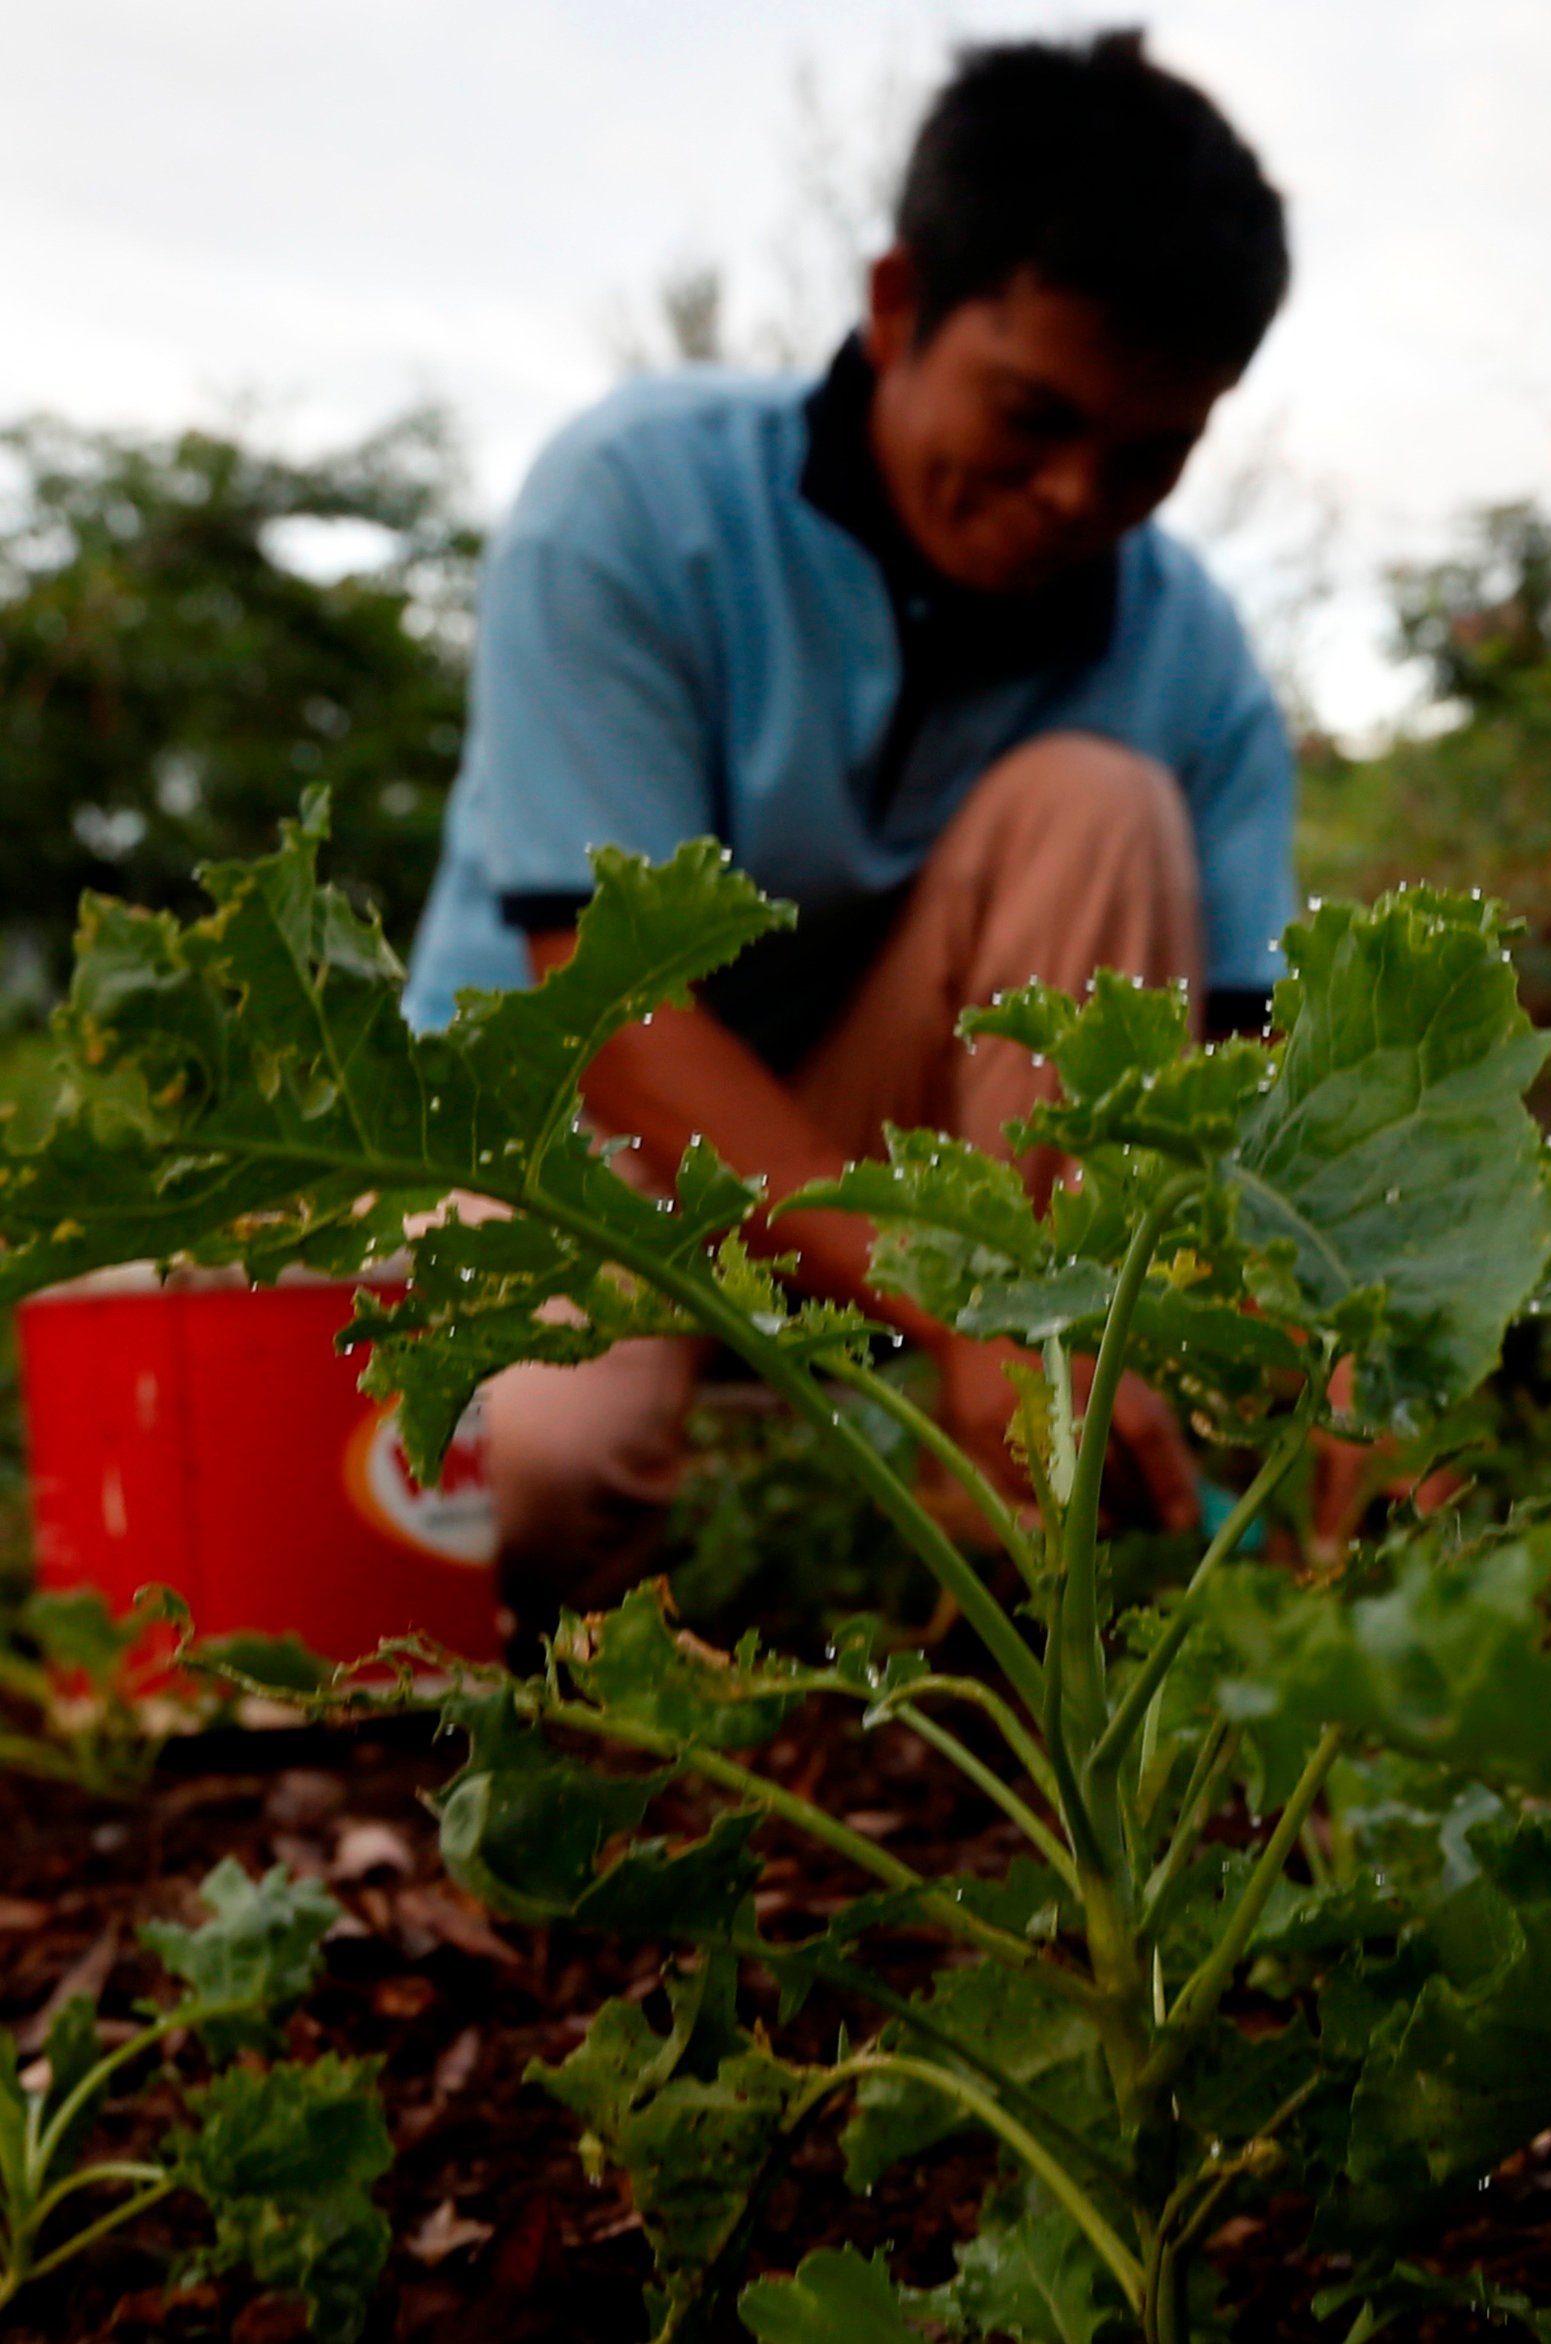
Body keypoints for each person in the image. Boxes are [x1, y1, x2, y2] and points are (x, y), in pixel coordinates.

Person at [399, 31, 1296, 1617]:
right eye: (1030, 415)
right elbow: (605, 1013)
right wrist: (959, 1314)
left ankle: (1010, 1584)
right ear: (896, 309)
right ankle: (607, 1711)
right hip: (560, 1127)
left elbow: (1239, 1076)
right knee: (543, 1467)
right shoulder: (635, 507)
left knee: (1100, 804)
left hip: (891, 1139)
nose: (1074, 495)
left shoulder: (1188, 649)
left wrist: (1344, 1356)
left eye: (1150, 455)